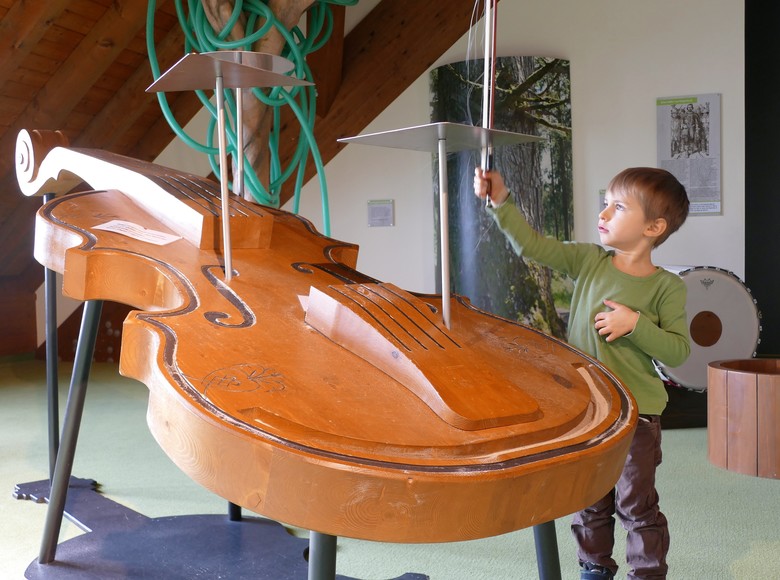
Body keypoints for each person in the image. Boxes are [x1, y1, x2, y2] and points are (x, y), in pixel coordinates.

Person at [474, 166, 691, 580]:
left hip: (637, 416)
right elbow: (533, 246)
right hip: (588, 410)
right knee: (588, 498)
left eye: (619, 206)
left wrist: (636, 325)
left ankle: (647, 573)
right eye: (605, 202)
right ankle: (594, 567)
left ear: (654, 226)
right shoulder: (589, 260)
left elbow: (679, 352)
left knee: (634, 503)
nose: (605, 213)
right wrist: (500, 201)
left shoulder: (668, 287)